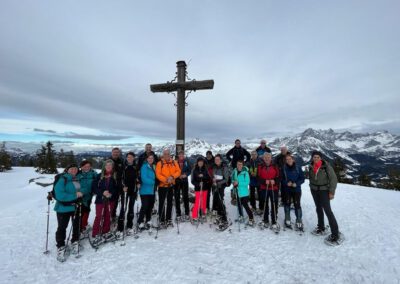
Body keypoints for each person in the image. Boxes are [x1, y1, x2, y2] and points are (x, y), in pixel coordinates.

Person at [54, 164, 88, 262]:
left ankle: (75, 241)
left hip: (76, 207)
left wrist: (81, 192)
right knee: (62, 227)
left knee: (77, 225)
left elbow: (84, 188)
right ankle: (60, 245)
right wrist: (75, 195)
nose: (74, 170)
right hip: (63, 208)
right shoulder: (62, 179)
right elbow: (60, 194)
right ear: (67, 170)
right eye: (71, 169)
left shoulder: (77, 179)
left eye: (75, 169)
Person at [309, 150, 341, 245]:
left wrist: (331, 192)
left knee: (328, 211)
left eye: (317, 157)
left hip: (324, 191)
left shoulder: (326, 166)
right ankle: (321, 227)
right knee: (318, 208)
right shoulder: (311, 165)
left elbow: (333, 179)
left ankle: (335, 234)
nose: (316, 158)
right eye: (314, 157)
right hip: (314, 190)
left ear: (321, 158)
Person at [91, 160, 119, 244]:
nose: (109, 166)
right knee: (99, 216)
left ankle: (105, 231)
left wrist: (111, 193)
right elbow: (94, 187)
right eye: (107, 165)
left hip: (111, 199)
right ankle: (95, 233)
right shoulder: (99, 176)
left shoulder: (115, 176)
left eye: (110, 165)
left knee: (108, 215)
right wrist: (102, 192)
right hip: (100, 200)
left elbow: (117, 188)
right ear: (104, 166)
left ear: (112, 166)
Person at [155, 149, 181, 228]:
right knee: (162, 203)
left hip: (171, 186)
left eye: (168, 154)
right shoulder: (160, 163)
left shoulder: (174, 162)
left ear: (170, 155)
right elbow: (158, 174)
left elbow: (178, 171)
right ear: (163, 155)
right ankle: (162, 220)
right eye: (165, 154)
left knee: (170, 202)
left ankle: (168, 219)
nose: (166, 155)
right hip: (163, 186)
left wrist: (172, 177)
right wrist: (166, 180)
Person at [116, 152, 139, 237]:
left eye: (131, 157)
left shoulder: (135, 167)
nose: (129, 158)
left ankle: (129, 226)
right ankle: (120, 227)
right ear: (126, 158)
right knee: (123, 208)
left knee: (131, 208)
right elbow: (119, 178)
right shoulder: (122, 166)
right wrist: (122, 186)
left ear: (133, 158)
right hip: (124, 191)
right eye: (128, 157)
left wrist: (138, 183)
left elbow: (137, 177)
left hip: (133, 190)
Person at [281, 154, 305, 230]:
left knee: (297, 204)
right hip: (287, 189)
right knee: (287, 203)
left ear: (293, 160)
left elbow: (302, 178)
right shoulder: (283, 168)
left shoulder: (298, 168)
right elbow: (281, 179)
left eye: (290, 159)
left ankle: (299, 220)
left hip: (296, 189)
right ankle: (287, 219)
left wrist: (296, 183)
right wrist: (286, 183)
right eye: (287, 159)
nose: (288, 160)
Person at [257, 153, 280, 230]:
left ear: (271, 158)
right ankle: (266, 219)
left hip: (274, 188)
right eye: (265, 157)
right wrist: (264, 181)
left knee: (274, 204)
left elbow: (279, 176)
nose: (267, 158)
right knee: (265, 204)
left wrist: (275, 181)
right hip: (264, 188)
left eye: (268, 157)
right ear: (263, 158)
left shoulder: (275, 165)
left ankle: (274, 220)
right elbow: (258, 177)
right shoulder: (260, 166)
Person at [77, 160, 97, 238]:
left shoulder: (93, 174)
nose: (87, 168)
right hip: (79, 196)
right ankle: (80, 227)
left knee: (86, 210)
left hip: (88, 195)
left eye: (88, 166)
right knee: (80, 211)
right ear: (81, 167)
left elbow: (98, 181)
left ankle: (84, 225)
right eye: (85, 166)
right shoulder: (78, 174)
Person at [231, 160, 255, 226]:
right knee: (239, 205)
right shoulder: (235, 171)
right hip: (237, 191)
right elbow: (232, 179)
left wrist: (238, 183)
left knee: (245, 205)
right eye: (238, 164)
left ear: (242, 165)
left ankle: (251, 218)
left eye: (240, 164)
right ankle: (241, 216)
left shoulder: (245, 172)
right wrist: (233, 182)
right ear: (236, 165)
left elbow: (247, 182)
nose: (239, 166)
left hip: (244, 192)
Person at [210, 154, 230, 227]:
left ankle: (224, 219)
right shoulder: (214, 167)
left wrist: (218, 183)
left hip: (221, 186)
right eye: (215, 159)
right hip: (215, 186)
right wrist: (213, 180)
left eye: (218, 159)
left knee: (220, 201)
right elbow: (213, 176)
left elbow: (226, 179)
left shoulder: (224, 167)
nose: (217, 161)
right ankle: (219, 215)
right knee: (215, 200)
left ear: (221, 160)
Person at [138, 154, 156, 230]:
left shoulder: (154, 166)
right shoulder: (144, 167)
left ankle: (148, 220)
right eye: (149, 158)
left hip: (152, 190)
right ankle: (140, 221)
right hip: (144, 190)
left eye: (152, 158)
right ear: (147, 159)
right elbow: (144, 179)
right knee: (144, 206)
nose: (151, 159)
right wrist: (154, 182)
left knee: (150, 206)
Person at [191, 157, 211, 223]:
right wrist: (198, 184)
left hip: (205, 188)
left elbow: (208, 178)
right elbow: (192, 181)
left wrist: (203, 177)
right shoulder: (194, 170)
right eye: (199, 161)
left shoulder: (205, 169)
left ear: (203, 162)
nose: (200, 163)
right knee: (197, 202)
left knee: (204, 202)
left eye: (202, 162)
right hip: (198, 188)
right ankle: (194, 216)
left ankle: (203, 214)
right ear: (197, 162)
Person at [175, 150, 191, 221]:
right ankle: (178, 213)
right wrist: (178, 176)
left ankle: (187, 213)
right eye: (180, 155)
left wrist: (186, 175)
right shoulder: (175, 162)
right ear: (178, 155)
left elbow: (190, 170)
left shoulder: (186, 162)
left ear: (184, 155)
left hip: (184, 181)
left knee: (185, 197)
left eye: (182, 155)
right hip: (177, 181)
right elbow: (173, 171)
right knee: (177, 197)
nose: (181, 156)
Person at [109, 148, 124, 219]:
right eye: (114, 152)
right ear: (112, 153)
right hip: (110, 184)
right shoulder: (108, 161)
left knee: (116, 201)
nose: (116, 154)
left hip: (119, 184)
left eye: (117, 152)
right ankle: (109, 216)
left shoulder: (121, 161)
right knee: (110, 201)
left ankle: (113, 215)